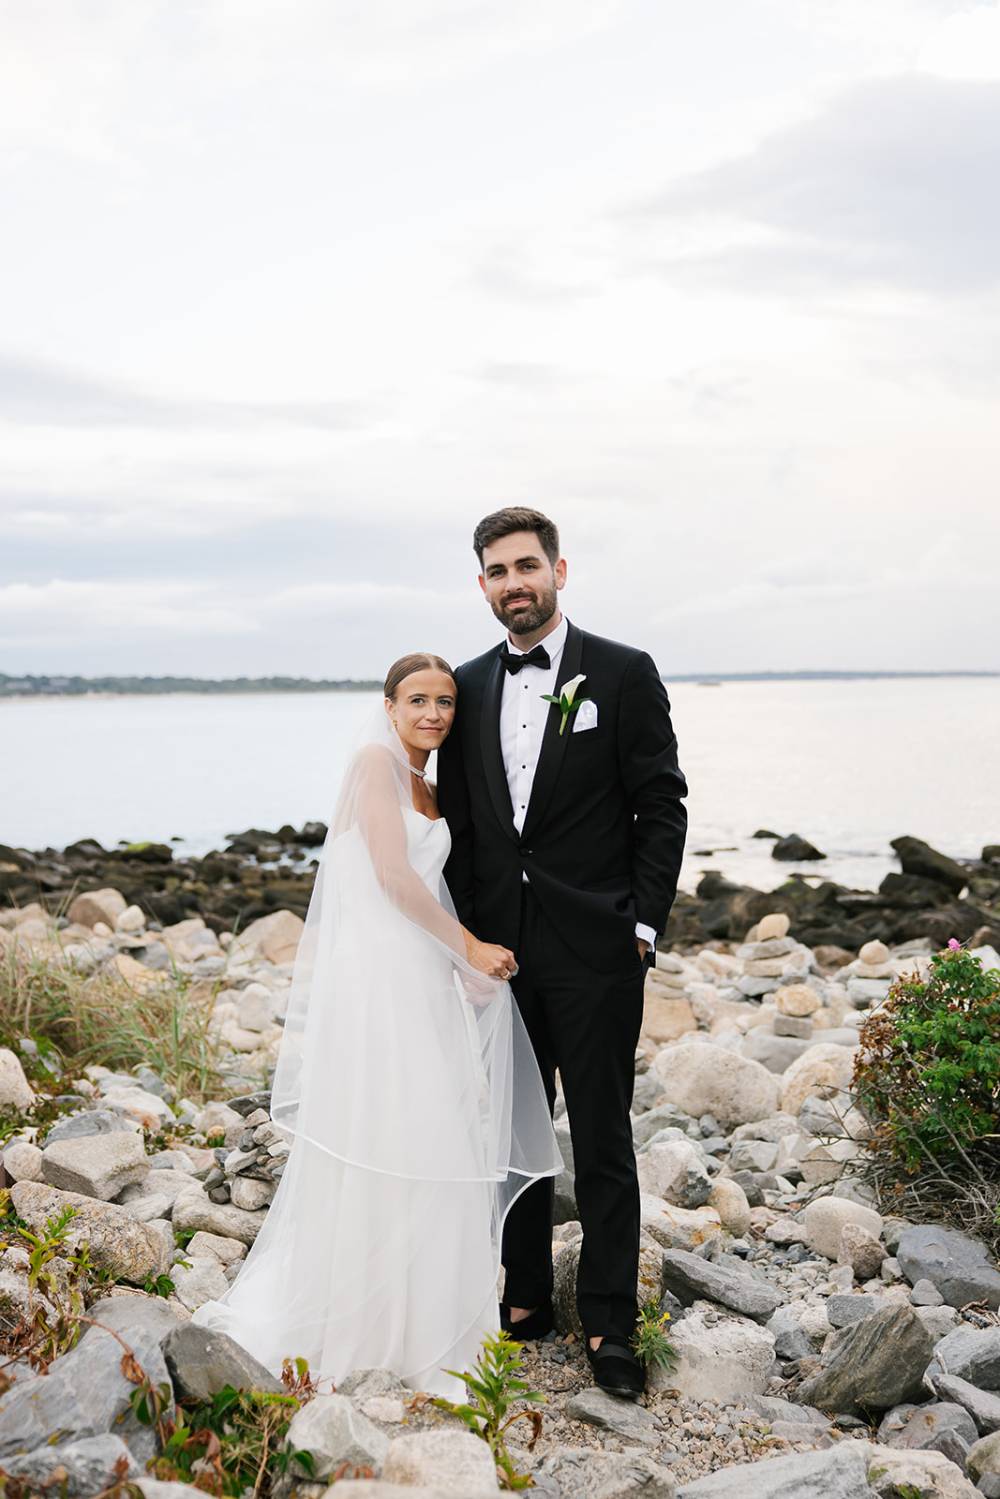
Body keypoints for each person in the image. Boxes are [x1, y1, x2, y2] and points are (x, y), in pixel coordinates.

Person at [192, 654, 562, 1400]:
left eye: (447, 701)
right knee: (391, 1125)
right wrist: (471, 947)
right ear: (389, 705)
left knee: (433, 1125)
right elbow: (393, 878)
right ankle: (362, 1324)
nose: (434, 713)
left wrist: (457, 966)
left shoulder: (429, 782)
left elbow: (428, 885)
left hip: (421, 971)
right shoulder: (373, 764)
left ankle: (423, 1320)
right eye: (419, 699)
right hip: (383, 978)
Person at [437, 507, 688, 1400]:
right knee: (513, 1134)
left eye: (527, 565)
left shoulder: (621, 673)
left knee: (604, 1137)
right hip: (500, 954)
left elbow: (661, 804)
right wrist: (467, 942)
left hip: (598, 949)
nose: (515, 582)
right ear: (482, 585)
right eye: (498, 570)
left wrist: (644, 924)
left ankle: (611, 1323)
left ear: (559, 570)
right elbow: (465, 828)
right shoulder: (466, 686)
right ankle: (526, 1304)